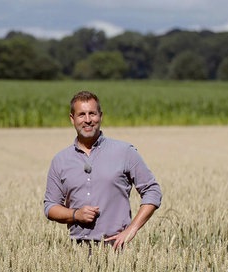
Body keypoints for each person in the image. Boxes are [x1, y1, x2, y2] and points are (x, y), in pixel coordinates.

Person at [43, 90, 162, 250]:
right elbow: (50, 207)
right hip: (77, 252)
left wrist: (131, 229)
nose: (87, 120)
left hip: (117, 249)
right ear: (72, 119)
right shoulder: (60, 160)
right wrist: (75, 214)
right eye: (81, 114)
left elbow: (152, 191)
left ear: (100, 116)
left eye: (92, 114)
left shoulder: (124, 152)